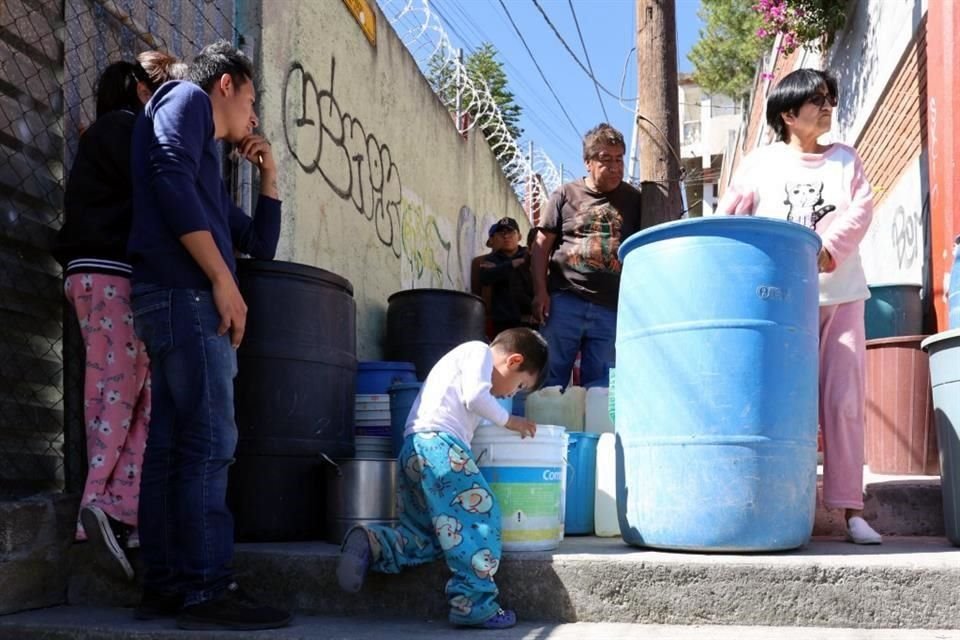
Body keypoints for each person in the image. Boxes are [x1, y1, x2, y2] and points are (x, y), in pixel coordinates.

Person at [128, 40, 291, 629]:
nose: (253, 117)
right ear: (227, 85)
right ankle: (205, 588)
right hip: (186, 297)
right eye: (251, 99)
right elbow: (165, 173)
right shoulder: (186, 98)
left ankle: (167, 585)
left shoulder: (209, 171)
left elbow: (260, 245)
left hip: (173, 298)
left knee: (174, 443)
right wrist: (222, 281)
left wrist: (269, 174)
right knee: (210, 441)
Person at [716, 68, 880, 545]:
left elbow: (861, 208)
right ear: (789, 113)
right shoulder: (760, 163)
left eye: (830, 98)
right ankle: (780, 505)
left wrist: (828, 248)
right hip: (781, 306)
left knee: (845, 403)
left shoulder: (846, 159)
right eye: (817, 100)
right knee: (782, 404)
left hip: (841, 298)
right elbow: (732, 214)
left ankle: (851, 511)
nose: (828, 106)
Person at [54, 51, 186, 581]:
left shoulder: (99, 138)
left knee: (130, 392)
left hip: (92, 274)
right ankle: (97, 509)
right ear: (139, 92)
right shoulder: (132, 131)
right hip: (114, 273)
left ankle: (124, 511)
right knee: (118, 393)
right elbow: (160, 186)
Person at [336, 328, 547, 630]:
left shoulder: (463, 363)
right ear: (513, 360)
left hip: (412, 449)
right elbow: (475, 397)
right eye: (519, 386)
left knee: (426, 536)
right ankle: (474, 603)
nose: (510, 395)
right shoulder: (478, 352)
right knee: (480, 515)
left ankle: (373, 543)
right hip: (440, 446)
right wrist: (511, 420)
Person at [531, 123, 642, 388]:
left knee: (602, 387)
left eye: (619, 159)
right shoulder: (565, 194)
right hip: (565, 301)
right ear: (588, 163)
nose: (615, 167)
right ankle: (546, 430)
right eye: (606, 160)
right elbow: (540, 246)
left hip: (611, 308)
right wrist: (540, 292)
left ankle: (596, 432)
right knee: (549, 380)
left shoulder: (635, 199)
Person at [478, 217, 535, 335]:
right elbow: (485, 278)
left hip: (529, 320)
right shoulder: (491, 258)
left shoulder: (529, 255)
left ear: (519, 236)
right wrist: (511, 265)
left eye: (510, 232)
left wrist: (498, 270)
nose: (506, 236)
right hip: (503, 322)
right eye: (501, 233)